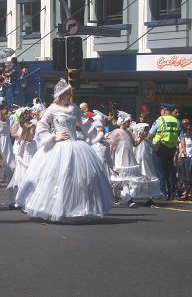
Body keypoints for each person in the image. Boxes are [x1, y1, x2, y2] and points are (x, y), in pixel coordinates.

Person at [16, 79, 113, 222]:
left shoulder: (74, 108)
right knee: (56, 178)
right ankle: (55, 209)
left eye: (70, 93)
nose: (69, 96)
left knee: (76, 179)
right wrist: (54, 137)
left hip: (75, 146)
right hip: (58, 148)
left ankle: (74, 209)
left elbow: (85, 124)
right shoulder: (52, 108)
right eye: (67, 93)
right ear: (60, 95)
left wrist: (97, 136)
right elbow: (42, 126)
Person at [148, 103, 180, 199]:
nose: (160, 111)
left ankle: (161, 192)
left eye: (161, 109)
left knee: (159, 171)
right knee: (170, 170)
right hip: (172, 148)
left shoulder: (160, 120)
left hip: (160, 147)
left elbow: (149, 135)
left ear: (165, 110)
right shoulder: (177, 121)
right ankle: (171, 193)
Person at [109, 111, 140, 208]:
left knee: (122, 180)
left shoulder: (128, 132)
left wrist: (141, 137)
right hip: (120, 159)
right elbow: (111, 147)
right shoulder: (116, 132)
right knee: (122, 180)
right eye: (127, 122)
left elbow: (134, 143)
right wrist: (109, 161)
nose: (129, 123)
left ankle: (113, 194)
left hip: (129, 158)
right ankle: (129, 199)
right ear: (122, 122)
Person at [8, 121, 38, 195]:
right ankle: (20, 199)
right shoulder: (22, 142)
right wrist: (24, 163)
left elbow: (36, 153)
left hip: (33, 163)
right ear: (27, 131)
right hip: (24, 165)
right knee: (23, 182)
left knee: (32, 182)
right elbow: (18, 155)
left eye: (34, 131)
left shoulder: (34, 142)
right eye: (33, 131)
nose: (34, 132)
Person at [178, 125, 192, 200]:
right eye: (186, 130)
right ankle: (184, 192)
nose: (188, 131)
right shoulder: (181, 138)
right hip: (182, 158)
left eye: (189, 130)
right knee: (182, 176)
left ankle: (187, 193)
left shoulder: (191, 139)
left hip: (189, 158)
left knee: (188, 177)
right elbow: (178, 149)